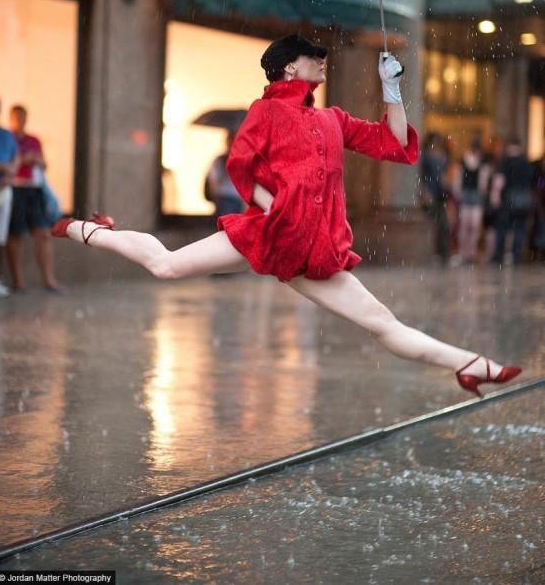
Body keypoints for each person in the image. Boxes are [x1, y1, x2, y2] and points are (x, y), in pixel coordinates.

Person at [52, 34, 521, 397]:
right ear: (290, 66)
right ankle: (88, 230)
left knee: (380, 321)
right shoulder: (265, 111)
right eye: (312, 56)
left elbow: (394, 143)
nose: (322, 60)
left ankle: (471, 365)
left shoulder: (332, 118)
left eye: (322, 54)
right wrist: (272, 208)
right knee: (166, 265)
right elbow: (240, 164)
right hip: (266, 232)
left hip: (312, 248)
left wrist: (391, 88)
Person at [7, 105, 62, 292]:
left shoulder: (33, 140)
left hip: (34, 189)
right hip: (15, 188)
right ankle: (19, 281)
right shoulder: (8, 138)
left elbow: (44, 162)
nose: (20, 121)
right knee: (15, 235)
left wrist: (35, 159)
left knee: (44, 233)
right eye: (16, 118)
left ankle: (49, 279)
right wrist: (23, 159)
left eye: (22, 117)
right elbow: (8, 163)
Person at [491, 137, 533, 265]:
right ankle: (516, 256)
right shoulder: (527, 163)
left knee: (503, 227)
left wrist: (495, 195)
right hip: (524, 200)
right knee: (519, 229)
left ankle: (499, 255)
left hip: (509, 199)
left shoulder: (505, 162)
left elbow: (499, 180)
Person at [452, 137, 491, 263]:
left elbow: (483, 180)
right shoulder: (464, 160)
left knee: (474, 223)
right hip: (466, 193)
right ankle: (464, 250)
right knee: (465, 223)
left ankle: (471, 250)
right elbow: (458, 177)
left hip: (476, 194)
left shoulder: (482, 162)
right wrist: (457, 190)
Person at [0, 96, 19, 297]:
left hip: (2, 189)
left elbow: (16, 157)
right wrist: (3, 167)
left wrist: (9, 173)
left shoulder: (5, 135)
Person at [419, 132, 451, 264]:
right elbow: (420, 175)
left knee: (444, 224)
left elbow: (444, 174)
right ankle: (433, 253)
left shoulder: (443, 156)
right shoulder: (424, 157)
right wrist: (424, 191)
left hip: (441, 193)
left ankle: (444, 254)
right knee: (432, 224)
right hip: (430, 192)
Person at [204, 132, 245, 219]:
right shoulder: (221, 160)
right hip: (225, 197)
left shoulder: (240, 160)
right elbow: (214, 180)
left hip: (236, 197)